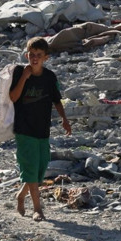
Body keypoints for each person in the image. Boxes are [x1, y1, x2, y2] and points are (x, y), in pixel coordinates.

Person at [9, 37, 72, 221]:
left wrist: (64, 119)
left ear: (46, 57)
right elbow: (13, 98)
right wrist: (25, 77)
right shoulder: (19, 73)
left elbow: (56, 100)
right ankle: (38, 209)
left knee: (39, 169)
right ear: (26, 55)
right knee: (29, 168)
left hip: (43, 130)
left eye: (38, 55)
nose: (34, 58)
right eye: (31, 55)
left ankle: (21, 195)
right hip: (24, 130)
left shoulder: (49, 77)